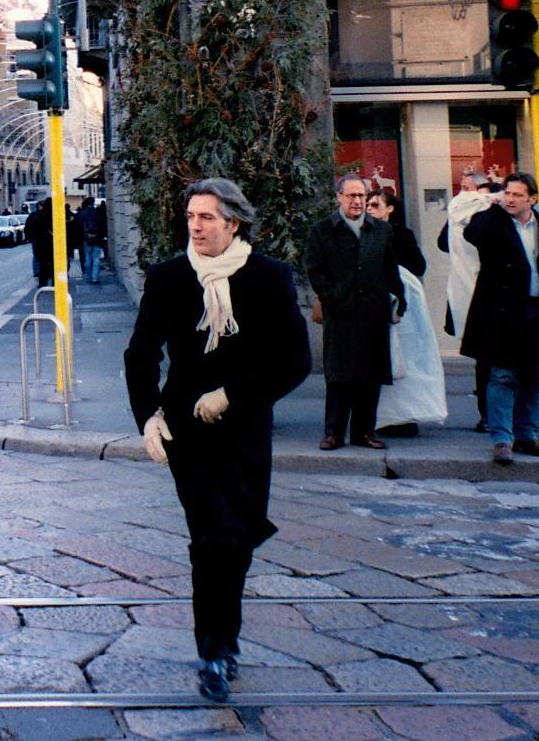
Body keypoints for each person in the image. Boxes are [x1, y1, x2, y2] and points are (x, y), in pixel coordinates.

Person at [125, 178, 311, 703]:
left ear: (233, 223)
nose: (197, 226)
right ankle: (216, 650)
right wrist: (149, 417)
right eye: (191, 217)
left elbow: (295, 360)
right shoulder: (168, 278)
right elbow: (140, 354)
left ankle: (220, 637)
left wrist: (232, 394)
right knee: (213, 539)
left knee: (238, 537)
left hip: (247, 428)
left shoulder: (270, 278)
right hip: (188, 431)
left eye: (207, 217)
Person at [462, 172, 539, 467]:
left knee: (533, 374)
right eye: (507, 193)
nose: (510, 199)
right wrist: (494, 206)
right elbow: (472, 234)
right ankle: (502, 438)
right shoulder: (492, 224)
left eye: (517, 195)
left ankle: (527, 434)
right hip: (502, 313)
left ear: (532, 199)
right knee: (502, 375)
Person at [302, 174, 403, 451]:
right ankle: (333, 432)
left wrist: (398, 302)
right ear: (339, 197)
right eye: (351, 196)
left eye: (362, 196)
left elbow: (390, 268)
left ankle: (365, 432)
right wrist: (331, 297)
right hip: (341, 312)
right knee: (340, 375)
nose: (357, 201)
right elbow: (314, 268)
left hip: (373, 310)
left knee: (370, 376)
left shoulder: (381, 230)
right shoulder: (322, 230)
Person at [368, 191, 447, 437]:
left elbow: (418, 265)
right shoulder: (362, 233)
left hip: (403, 306)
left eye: (375, 204)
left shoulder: (401, 235)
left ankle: (404, 415)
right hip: (375, 302)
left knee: (406, 359)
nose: (369, 209)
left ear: (390, 209)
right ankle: (379, 416)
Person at [438, 173, 500, 429]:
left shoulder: (494, 219)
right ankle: (488, 414)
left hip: (494, 297)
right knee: (486, 361)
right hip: (474, 296)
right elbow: (443, 242)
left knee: (492, 362)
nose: (464, 195)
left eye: (470, 190)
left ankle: (492, 414)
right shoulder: (464, 216)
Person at [25, 198, 54, 285]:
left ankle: (42, 283)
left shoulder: (34, 215)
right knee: (53, 264)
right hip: (51, 242)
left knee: (42, 264)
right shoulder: (53, 215)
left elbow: (27, 229)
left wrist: (31, 238)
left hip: (38, 242)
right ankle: (54, 283)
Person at [78, 200, 105, 284]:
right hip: (97, 239)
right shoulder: (98, 213)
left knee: (87, 258)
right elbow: (103, 225)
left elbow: (77, 226)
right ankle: (95, 278)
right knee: (96, 259)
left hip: (86, 239)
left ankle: (89, 276)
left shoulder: (82, 214)